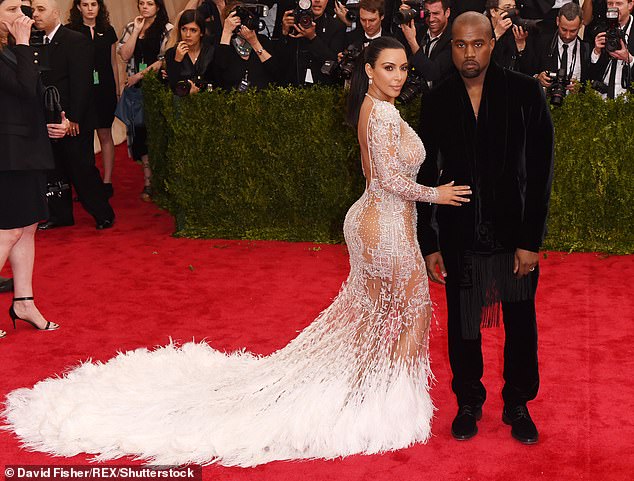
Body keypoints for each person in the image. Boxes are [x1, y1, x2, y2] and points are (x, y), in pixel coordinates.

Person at [3, 37, 471, 465]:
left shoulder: (369, 106)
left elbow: (378, 177)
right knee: (413, 312)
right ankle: (395, 404)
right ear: (369, 70)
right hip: (385, 224)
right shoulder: (385, 113)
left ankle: (373, 392)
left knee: (379, 315)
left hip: (372, 221)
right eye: (389, 67)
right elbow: (389, 181)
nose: (399, 76)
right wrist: (439, 195)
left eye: (405, 69)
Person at [417, 12, 554, 444]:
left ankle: (517, 403)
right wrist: (429, 241)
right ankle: (469, 401)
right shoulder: (437, 99)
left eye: (477, 44)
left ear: (493, 43)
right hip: (459, 235)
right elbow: (424, 174)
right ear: (450, 47)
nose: (469, 53)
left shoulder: (525, 93)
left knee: (520, 322)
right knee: (463, 325)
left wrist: (530, 241)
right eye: (460, 45)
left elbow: (540, 172)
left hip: (514, 235)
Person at [0, 0, 68, 337]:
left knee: (27, 228)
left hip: (28, 150)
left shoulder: (14, 50)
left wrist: (58, 117)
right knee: (9, 230)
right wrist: (25, 43)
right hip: (8, 155)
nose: (22, 16)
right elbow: (24, 88)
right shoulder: (14, 49)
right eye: (12, 9)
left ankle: (24, 302)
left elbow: (36, 93)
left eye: (23, 9)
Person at [31, 0, 115, 231]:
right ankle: (60, 215)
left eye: (41, 9)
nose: (36, 15)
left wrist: (74, 119)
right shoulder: (34, 42)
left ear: (55, 12)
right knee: (53, 169)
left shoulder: (75, 40)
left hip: (74, 121)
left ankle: (103, 212)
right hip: (47, 120)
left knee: (81, 168)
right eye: (33, 10)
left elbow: (82, 84)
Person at [118, 0, 173, 201]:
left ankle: (163, 180)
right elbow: (124, 55)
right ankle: (149, 182)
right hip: (135, 90)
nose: (145, 7)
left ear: (158, 6)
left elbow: (165, 59)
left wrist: (140, 76)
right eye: (141, 3)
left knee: (158, 132)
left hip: (157, 86)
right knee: (140, 134)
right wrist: (136, 31)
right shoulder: (132, 27)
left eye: (150, 3)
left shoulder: (167, 29)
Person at [66, 0, 120, 199]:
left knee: (105, 135)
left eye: (94, 4)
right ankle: (86, 184)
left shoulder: (108, 30)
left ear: (100, 7)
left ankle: (107, 182)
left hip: (105, 90)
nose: (90, 8)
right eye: (85, 4)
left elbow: (113, 63)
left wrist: (117, 89)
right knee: (84, 140)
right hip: (81, 93)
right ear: (78, 7)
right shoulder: (70, 31)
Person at [212, 2, 281, 90]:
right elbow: (218, 74)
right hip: (231, 99)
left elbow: (276, 72)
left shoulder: (263, 41)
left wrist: (255, 43)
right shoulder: (223, 44)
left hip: (262, 99)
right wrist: (226, 32)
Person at [278, 0, 346, 85]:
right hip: (291, 87)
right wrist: (284, 33)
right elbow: (279, 62)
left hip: (323, 90)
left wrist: (313, 38)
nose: (317, 1)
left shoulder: (336, 26)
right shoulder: (292, 22)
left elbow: (334, 63)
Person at [531, 2, 591, 95]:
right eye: (564, 29)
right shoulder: (542, 43)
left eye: (573, 31)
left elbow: (591, 83)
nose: (567, 36)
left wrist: (580, 89)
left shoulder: (586, 49)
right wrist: (538, 77)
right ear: (557, 21)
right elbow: (527, 72)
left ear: (580, 25)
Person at [589, 0, 634, 98]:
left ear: (630, 5)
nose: (614, 8)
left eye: (619, 3)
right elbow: (590, 74)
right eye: (610, 4)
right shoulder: (600, 30)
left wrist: (629, 59)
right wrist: (596, 52)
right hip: (601, 100)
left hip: (629, 101)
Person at [164, 9, 214, 95]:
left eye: (193, 30)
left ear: (201, 32)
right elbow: (172, 85)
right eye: (184, 29)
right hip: (182, 102)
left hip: (208, 101)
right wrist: (177, 60)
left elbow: (218, 81)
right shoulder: (171, 53)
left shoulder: (211, 51)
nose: (187, 35)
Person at [486, 0, 532, 73]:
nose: (512, 11)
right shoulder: (481, 29)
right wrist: (497, 34)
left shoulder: (515, 29)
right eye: (507, 7)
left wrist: (520, 45)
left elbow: (528, 70)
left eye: (514, 7)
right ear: (493, 12)